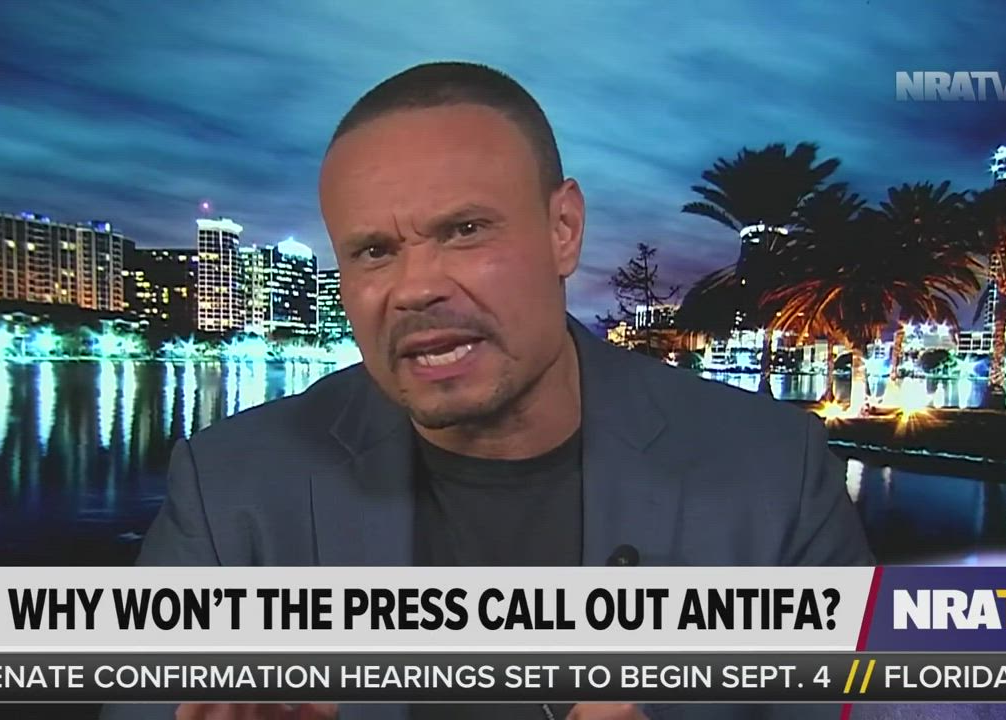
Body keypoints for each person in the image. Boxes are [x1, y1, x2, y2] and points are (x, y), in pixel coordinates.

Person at [103, 61, 873, 720]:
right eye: (373, 251)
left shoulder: (774, 473)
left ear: (563, 229)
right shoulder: (229, 490)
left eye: (464, 231)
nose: (415, 288)